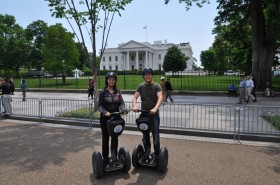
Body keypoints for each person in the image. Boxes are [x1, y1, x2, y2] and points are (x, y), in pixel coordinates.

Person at [132, 67, 163, 162]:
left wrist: (155, 108)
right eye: (146, 75)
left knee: (156, 136)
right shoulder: (141, 86)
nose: (148, 76)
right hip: (144, 115)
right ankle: (147, 152)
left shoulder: (157, 86)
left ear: (152, 76)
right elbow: (135, 97)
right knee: (145, 136)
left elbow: (160, 97)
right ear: (144, 77)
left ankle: (157, 155)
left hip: (154, 115)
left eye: (149, 74)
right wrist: (134, 106)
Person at [98, 72, 128, 168]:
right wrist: (104, 112)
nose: (111, 81)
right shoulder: (103, 92)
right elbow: (99, 105)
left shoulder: (118, 92)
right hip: (105, 119)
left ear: (115, 81)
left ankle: (114, 157)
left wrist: (123, 110)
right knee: (105, 138)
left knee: (115, 138)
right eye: (109, 79)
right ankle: (106, 159)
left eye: (113, 79)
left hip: (115, 118)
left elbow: (121, 104)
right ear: (107, 80)